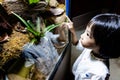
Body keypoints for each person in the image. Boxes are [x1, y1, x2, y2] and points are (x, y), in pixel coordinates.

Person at [66, 13, 120, 80]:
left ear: (103, 44)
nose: (81, 35)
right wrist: (73, 31)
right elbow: (77, 44)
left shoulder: (99, 73)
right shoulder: (92, 49)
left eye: (88, 34)